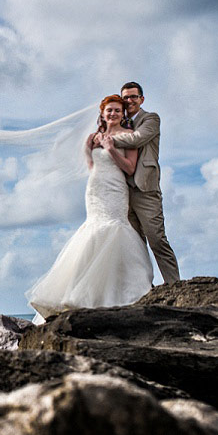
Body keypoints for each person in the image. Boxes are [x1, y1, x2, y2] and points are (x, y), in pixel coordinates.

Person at [26, 94, 153, 323]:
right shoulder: (95, 136)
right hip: (94, 189)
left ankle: (116, 295)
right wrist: (88, 149)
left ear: (122, 114)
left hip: (115, 189)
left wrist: (111, 148)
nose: (113, 114)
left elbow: (130, 168)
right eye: (109, 110)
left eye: (117, 110)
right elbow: (92, 166)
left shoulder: (129, 137)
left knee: (114, 229)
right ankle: (80, 294)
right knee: (92, 231)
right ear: (102, 113)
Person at [110, 82, 181, 284]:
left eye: (133, 97)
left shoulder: (150, 119)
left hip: (145, 188)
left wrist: (109, 141)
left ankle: (174, 284)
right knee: (134, 244)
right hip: (122, 191)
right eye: (126, 97)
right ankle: (142, 287)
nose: (129, 101)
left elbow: (137, 140)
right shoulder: (117, 122)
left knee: (156, 239)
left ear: (141, 99)